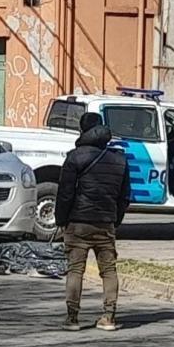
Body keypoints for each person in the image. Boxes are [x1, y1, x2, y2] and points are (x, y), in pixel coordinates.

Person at [55, 112, 131, 332]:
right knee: (108, 270)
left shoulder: (74, 157)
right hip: (105, 222)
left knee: (75, 270)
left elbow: (65, 194)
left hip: (77, 223)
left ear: (82, 130)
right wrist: (115, 220)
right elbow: (124, 196)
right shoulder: (119, 160)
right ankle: (109, 316)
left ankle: (72, 318)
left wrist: (61, 220)